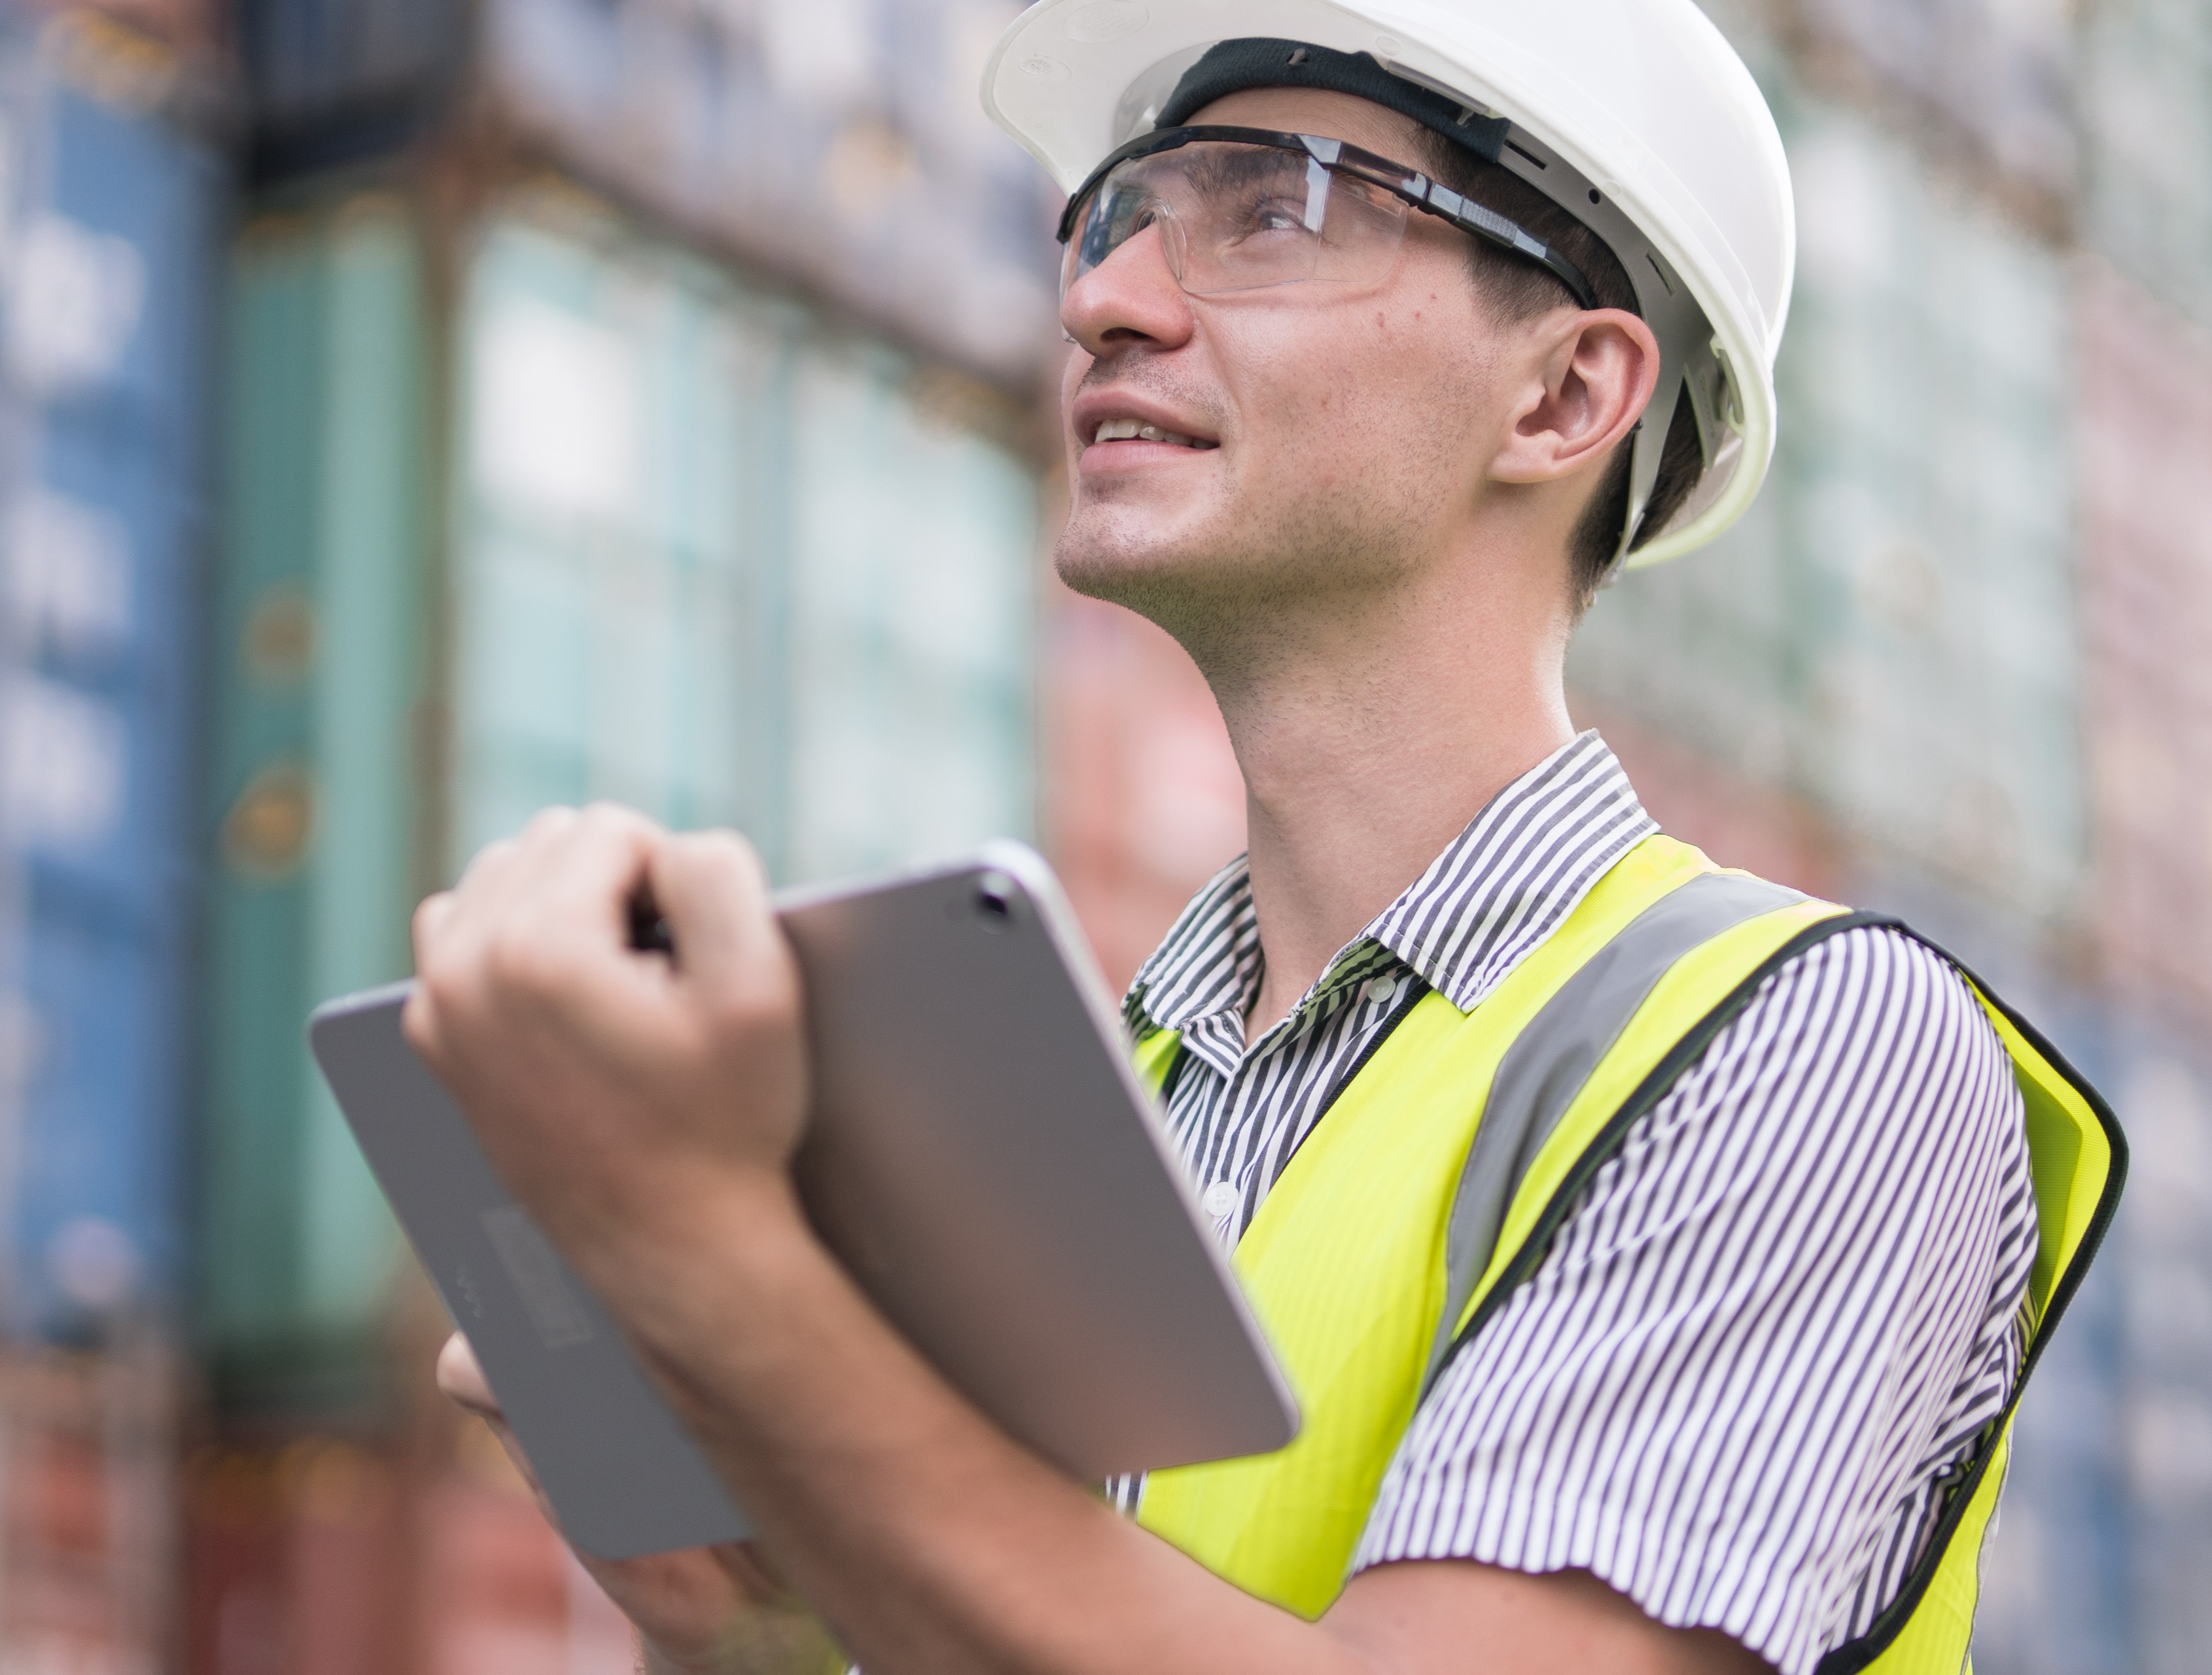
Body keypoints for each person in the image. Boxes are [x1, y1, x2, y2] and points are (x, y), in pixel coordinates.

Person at [407, 6, 2123, 1672]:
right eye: (1118, 221)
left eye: (1272, 209)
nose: (1101, 299)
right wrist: (757, 1621)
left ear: (1563, 396)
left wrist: (716, 1271)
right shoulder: (1100, 1090)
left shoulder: (1812, 1046)